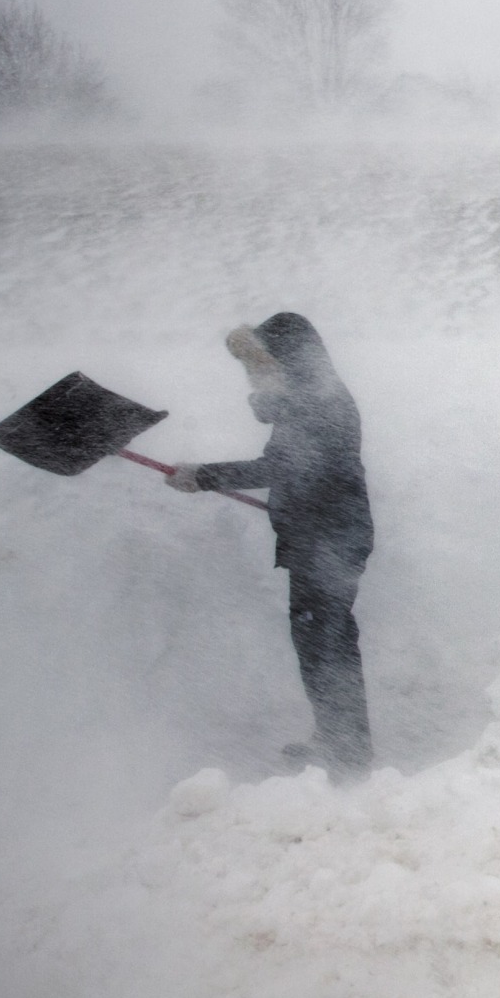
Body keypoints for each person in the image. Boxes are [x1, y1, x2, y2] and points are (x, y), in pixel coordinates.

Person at [166, 313, 375, 776]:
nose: (258, 373)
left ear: (292, 359)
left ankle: (350, 752)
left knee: (328, 642)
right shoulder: (307, 397)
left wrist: (202, 476)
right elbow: (290, 458)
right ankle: (336, 738)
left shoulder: (320, 402)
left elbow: (281, 468)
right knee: (317, 642)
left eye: (265, 362)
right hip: (319, 535)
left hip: (331, 540)